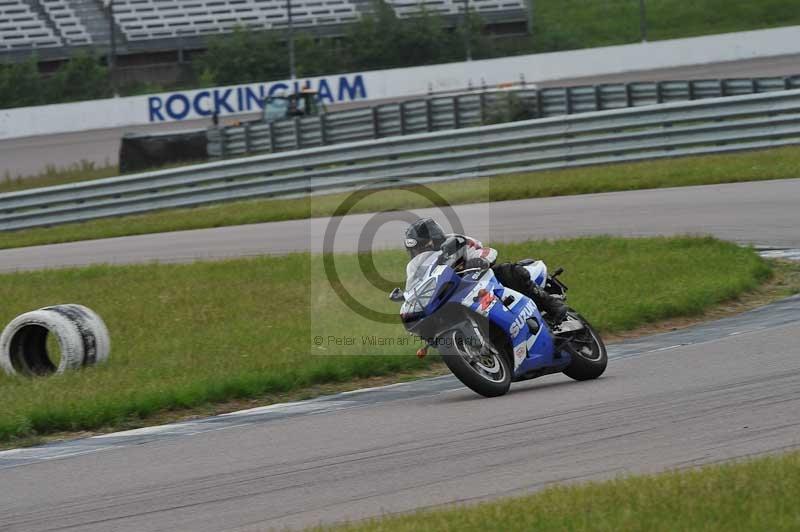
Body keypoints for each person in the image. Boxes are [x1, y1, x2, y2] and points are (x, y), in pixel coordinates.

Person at [404, 217, 568, 324]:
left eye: (422, 247)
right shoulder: (417, 268)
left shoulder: (456, 241)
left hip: (481, 280)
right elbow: (416, 285)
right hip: (455, 295)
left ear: (434, 240)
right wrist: (407, 296)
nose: (419, 253)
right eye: (415, 250)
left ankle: (552, 305)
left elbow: (486, 251)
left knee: (509, 272)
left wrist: (480, 260)